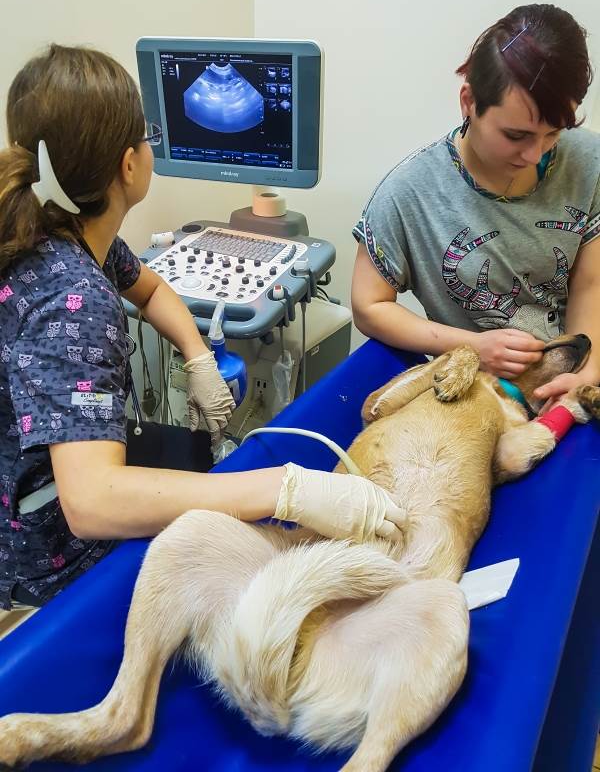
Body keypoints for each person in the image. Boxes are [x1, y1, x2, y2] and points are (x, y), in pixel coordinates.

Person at [0, 45, 406, 611]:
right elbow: (93, 501)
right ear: (129, 164)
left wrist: (196, 356)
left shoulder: (58, 232)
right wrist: (286, 489)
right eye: (145, 136)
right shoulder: (75, 297)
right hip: (49, 565)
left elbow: (148, 286)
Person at [352, 4, 600, 408]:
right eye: (515, 135)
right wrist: (471, 346)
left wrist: (587, 374)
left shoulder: (588, 161)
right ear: (469, 101)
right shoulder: (409, 193)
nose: (535, 154)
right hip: (483, 395)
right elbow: (369, 306)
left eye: (554, 133)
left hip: (577, 376)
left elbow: (592, 282)